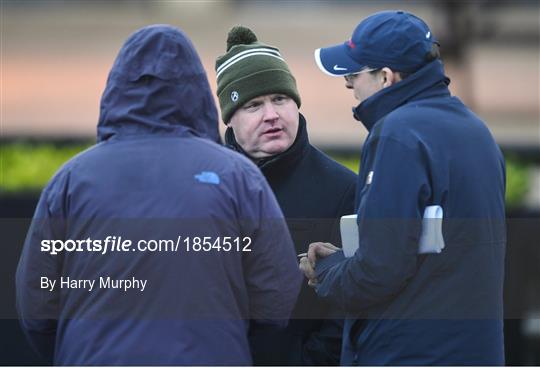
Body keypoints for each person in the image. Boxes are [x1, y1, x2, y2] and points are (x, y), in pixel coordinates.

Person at [15, 24, 302, 365]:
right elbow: (276, 295)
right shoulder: (238, 176)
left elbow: (36, 301)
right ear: (196, 88)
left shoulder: (70, 180)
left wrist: (73, 351)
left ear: (116, 88)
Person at [300, 10, 506, 365]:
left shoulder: (398, 134)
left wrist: (327, 270)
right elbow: (429, 250)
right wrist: (344, 258)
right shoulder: (476, 130)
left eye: (353, 72)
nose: (348, 83)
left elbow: (378, 271)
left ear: (385, 78)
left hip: (411, 352)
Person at [214, 26, 357, 365]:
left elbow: (350, 305)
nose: (272, 115)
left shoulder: (343, 189)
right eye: (253, 104)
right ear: (230, 119)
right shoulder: (206, 188)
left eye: (280, 99)